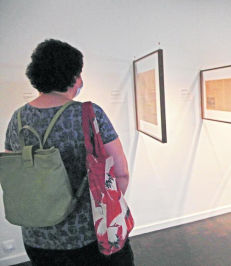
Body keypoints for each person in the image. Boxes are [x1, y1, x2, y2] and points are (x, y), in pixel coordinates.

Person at [4, 39, 134, 265]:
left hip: (37, 236)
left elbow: (14, 172)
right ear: (72, 76)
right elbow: (120, 172)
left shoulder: (17, 118)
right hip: (90, 234)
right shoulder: (88, 113)